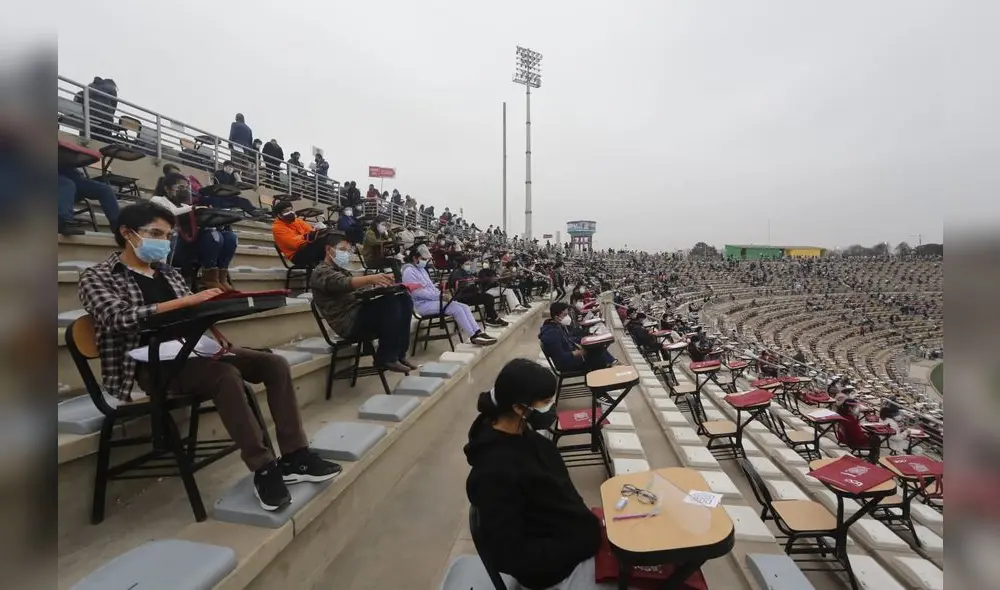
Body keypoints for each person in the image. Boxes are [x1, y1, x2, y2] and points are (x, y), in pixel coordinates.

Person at [78, 202, 341, 511]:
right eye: (155, 234)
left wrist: (212, 307)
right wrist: (185, 303)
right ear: (127, 233)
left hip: (191, 350)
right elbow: (117, 317)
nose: (163, 242)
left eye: (167, 235)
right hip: (145, 366)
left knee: (274, 364)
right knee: (224, 376)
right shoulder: (97, 277)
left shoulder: (168, 273)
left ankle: (295, 457)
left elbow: (191, 314)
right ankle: (264, 468)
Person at [465, 359, 605, 590]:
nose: (551, 408)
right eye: (546, 403)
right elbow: (511, 555)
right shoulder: (493, 473)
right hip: (556, 571)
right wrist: (580, 543)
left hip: (573, 538)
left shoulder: (525, 436)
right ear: (519, 408)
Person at [311, 231, 415, 374]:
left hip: (359, 314)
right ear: (328, 250)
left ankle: (399, 354)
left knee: (403, 298)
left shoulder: (340, 270)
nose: (346, 254)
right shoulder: (320, 272)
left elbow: (355, 293)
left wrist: (376, 286)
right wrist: (372, 279)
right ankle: (385, 357)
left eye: (348, 250)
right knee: (391, 303)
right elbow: (343, 284)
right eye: (342, 250)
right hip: (348, 322)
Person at [152, 173, 237, 290]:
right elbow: (172, 212)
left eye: (187, 187)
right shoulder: (157, 200)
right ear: (167, 189)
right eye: (181, 187)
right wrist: (193, 208)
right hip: (173, 246)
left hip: (190, 245)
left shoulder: (184, 205)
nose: (186, 190)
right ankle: (208, 281)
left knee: (228, 237)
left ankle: (219, 279)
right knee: (212, 236)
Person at [400, 245, 496, 346]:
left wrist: (441, 292)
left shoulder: (422, 270)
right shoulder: (409, 271)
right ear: (415, 258)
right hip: (422, 305)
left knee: (464, 306)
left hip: (432, 301)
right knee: (456, 308)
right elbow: (417, 293)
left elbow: (429, 288)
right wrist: (440, 296)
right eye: (423, 259)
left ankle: (478, 332)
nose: (425, 262)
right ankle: (473, 336)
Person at [540, 302, 615, 373]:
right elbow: (560, 358)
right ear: (556, 317)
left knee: (597, 346)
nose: (567, 317)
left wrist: (587, 339)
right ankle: (608, 370)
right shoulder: (551, 334)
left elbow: (569, 339)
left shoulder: (557, 326)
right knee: (598, 355)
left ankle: (612, 363)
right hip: (567, 364)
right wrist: (579, 353)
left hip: (571, 356)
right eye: (565, 315)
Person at [58, 165, 121, 236]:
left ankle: (119, 228)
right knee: (67, 185)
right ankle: (63, 222)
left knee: (106, 190)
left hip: (72, 175)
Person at [449, 256, 508, 328]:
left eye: (469, 263)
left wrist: (476, 280)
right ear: (461, 264)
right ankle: (492, 319)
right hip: (463, 297)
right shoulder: (457, 273)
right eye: (467, 264)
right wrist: (472, 282)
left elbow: (471, 280)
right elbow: (462, 284)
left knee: (488, 297)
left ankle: (491, 318)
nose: (469, 265)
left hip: (470, 294)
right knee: (488, 298)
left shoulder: (464, 271)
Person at [271, 200, 327, 266]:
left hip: (306, 247)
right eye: (286, 211)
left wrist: (320, 230)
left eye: (291, 209)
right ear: (279, 215)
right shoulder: (277, 228)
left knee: (328, 239)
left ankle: (330, 267)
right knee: (324, 245)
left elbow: (311, 232)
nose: (291, 212)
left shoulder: (297, 221)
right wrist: (307, 236)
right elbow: (294, 244)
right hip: (296, 255)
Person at [833, 394, 880, 463]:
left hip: (847, 438)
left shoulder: (842, 415)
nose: (856, 409)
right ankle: (873, 459)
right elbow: (856, 435)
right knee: (876, 439)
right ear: (849, 408)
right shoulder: (850, 419)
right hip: (853, 441)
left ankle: (873, 458)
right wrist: (866, 435)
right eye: (854, 407)